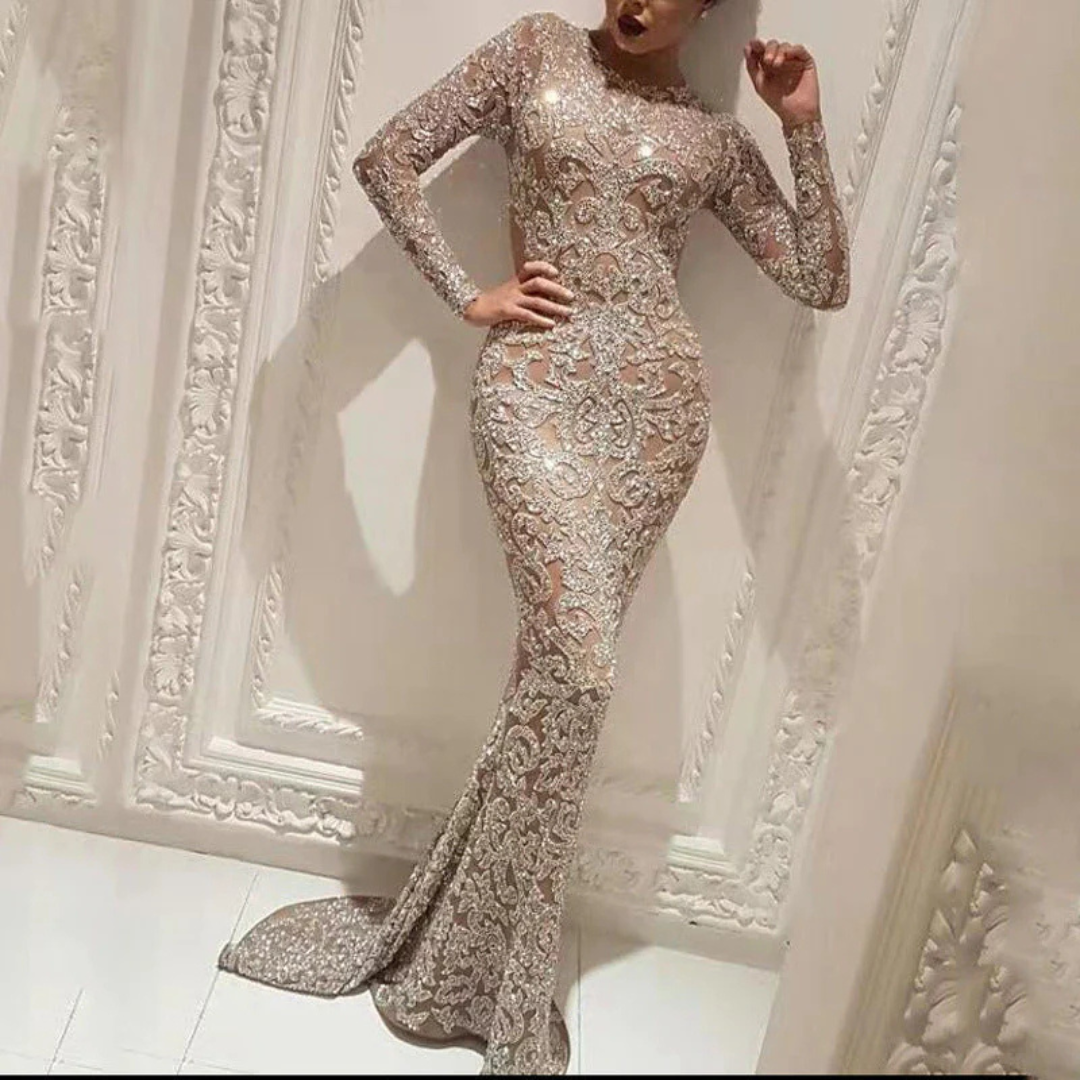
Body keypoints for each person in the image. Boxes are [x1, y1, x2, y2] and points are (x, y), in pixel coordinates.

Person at [217, 2, 849, 1073]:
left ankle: (466, 957)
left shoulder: (712, 137)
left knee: (549, 686)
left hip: (653, 416)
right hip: (533, 392)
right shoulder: (535, 50)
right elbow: (387, 157)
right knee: (581, 674)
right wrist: (469, 293)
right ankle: (485, 966)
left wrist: (802, 126)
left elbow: (820, 279)